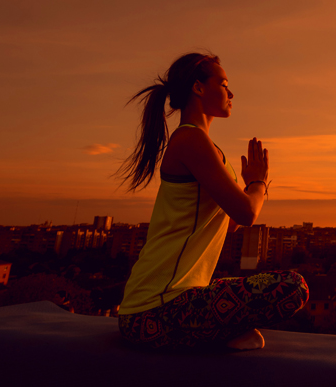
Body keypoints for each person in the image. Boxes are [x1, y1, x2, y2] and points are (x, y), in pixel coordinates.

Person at [116, 52, 308, 352]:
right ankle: (213, 334)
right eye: (224, 83)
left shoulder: (205, 146)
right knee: (292, 287)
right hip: (153, 310)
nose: (231, 93)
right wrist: (257, 183)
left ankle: (212, 333)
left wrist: (248, 187)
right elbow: (246, 213)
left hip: (176, 301)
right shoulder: (190, 140)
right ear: (198, 88)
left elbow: (226, 225)